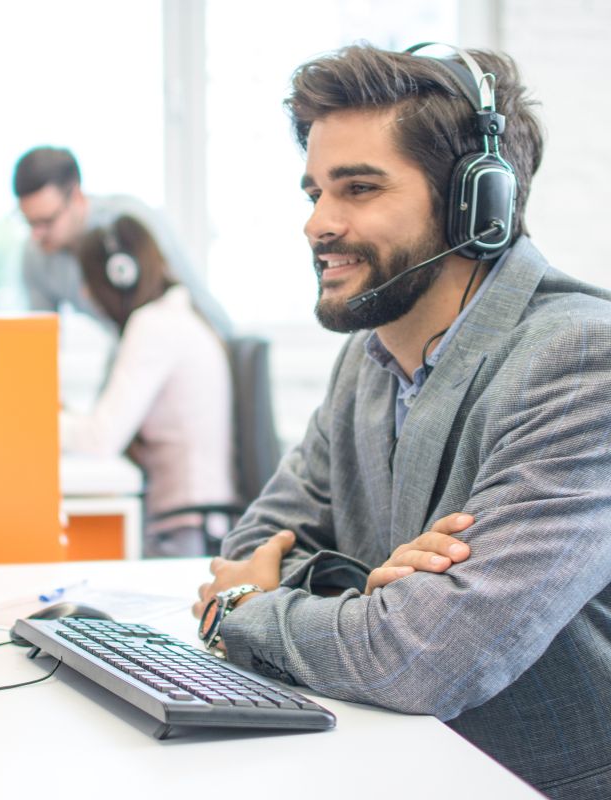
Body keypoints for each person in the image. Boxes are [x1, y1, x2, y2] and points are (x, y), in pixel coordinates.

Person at [193, 42, 611, 799]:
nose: (318, 223)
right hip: (388, 759)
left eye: (358, 188)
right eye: (315, 190)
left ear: (476, 202)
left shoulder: (583, 360)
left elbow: (426, 660)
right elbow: (253, 544)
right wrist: (374, 603)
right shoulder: (369, 359)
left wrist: (249, 609)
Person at [60, 214, 236, 558]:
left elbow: (100, 439)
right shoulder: (173, 318)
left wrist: (36, 421)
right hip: (191, 526)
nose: (85, 293)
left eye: (89, 280)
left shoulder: (154, 326)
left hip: (184, 532)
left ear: (120, 275)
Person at [12, 146, 232, 337]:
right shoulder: (35, 255)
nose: (36, 234)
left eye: (47, 221)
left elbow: (189, 292)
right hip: (128, 345)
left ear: (77, 197)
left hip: (175, 346)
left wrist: (236, 368)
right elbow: (41, 341)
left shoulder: (129, 225)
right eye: (29, 223)